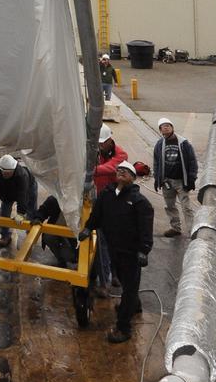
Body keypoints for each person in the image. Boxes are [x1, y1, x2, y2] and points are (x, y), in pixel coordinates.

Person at [79, 160, 154, 344]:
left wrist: (144, 250)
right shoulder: (107, 195)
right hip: (114, 248)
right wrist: (89, 228)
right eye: (119, 170)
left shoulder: (140, 203)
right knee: (123, 281)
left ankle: (123, 328)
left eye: (125, 171)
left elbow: (146, 229)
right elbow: (97, 214)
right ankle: (134, 305)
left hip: (131, 252)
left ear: (133, 178)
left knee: (128, 288)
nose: (121, 172)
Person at [92, 125, 128, 294]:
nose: (99, 147)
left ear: (109, 141)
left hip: (116, 204)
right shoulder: (95, 153)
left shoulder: (121, 154)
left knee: (114, 242)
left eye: (101, 143)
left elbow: (112, 167)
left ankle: (114, 275)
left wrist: (92, 170)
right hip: (100, 202)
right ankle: (105, 280)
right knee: (102, 243)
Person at [153, 117, 198, 238]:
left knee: (187, 207)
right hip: (166, 181)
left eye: (168, 125)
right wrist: (157, 179)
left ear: (172, 128)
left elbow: (192, 161)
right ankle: (175, 228)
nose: (166, 127)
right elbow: (156, 162)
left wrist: (191, 178)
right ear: (160, 130)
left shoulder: (183, 143)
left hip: (181, 181)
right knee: (170, 206)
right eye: (163, 126)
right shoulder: (159, 144)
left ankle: (192, 230)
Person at [0, 155, 37, 249]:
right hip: (7, 191)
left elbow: (23, 195)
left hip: (28, 187)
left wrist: (20, 213)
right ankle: (5, 235)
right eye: (4, 172)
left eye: (8, 173)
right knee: (4, 213)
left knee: (31, 209)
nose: (5, 175)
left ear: (13, 170)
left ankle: (31, 230)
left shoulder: (22, 175)